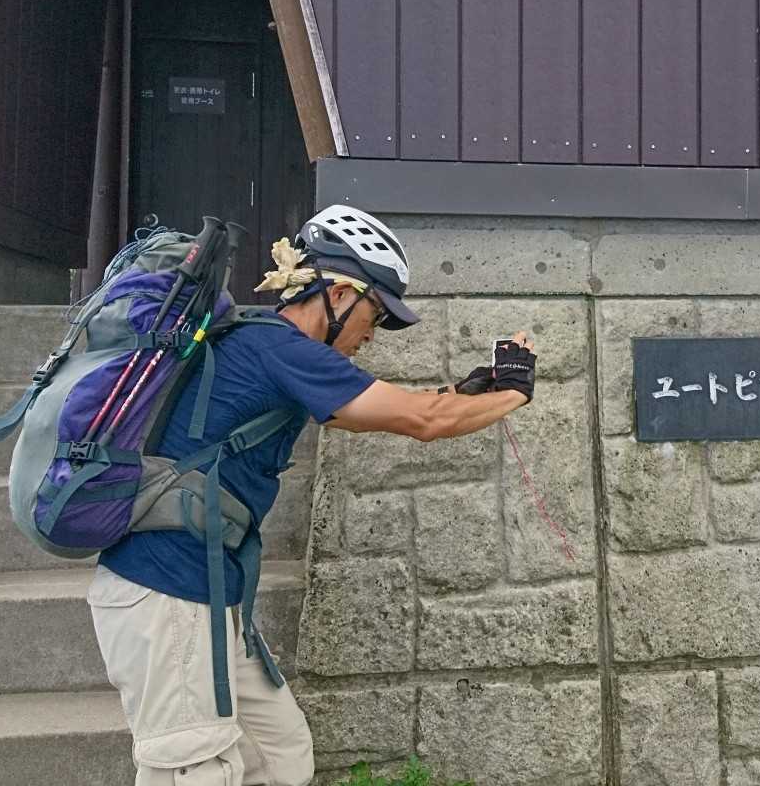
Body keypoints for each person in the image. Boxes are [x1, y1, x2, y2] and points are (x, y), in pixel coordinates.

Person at [87, 205, 536, 786]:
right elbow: (424, 421)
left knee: (281, 754)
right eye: (375, 314)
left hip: (207, 592)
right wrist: (515, 394)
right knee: (194, 769)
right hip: (167, 591)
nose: (371, 335)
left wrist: (467, 392)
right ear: (340, 294)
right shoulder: (283, 350)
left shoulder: (269, 347)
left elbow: (389, 411)